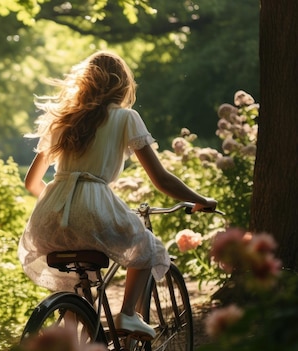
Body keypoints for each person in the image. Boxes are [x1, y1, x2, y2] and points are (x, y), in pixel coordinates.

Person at [18, 50, 217, 339]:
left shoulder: (63, 120)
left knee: (75, 285)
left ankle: (70, 337)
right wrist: (200, 199)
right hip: (93, 206)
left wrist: (62, 207)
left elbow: (31, 183)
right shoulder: (125, 118)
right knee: (147, 248)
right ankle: (126, 315)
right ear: (121, 84)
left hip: (50, 215)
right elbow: (161, 178)